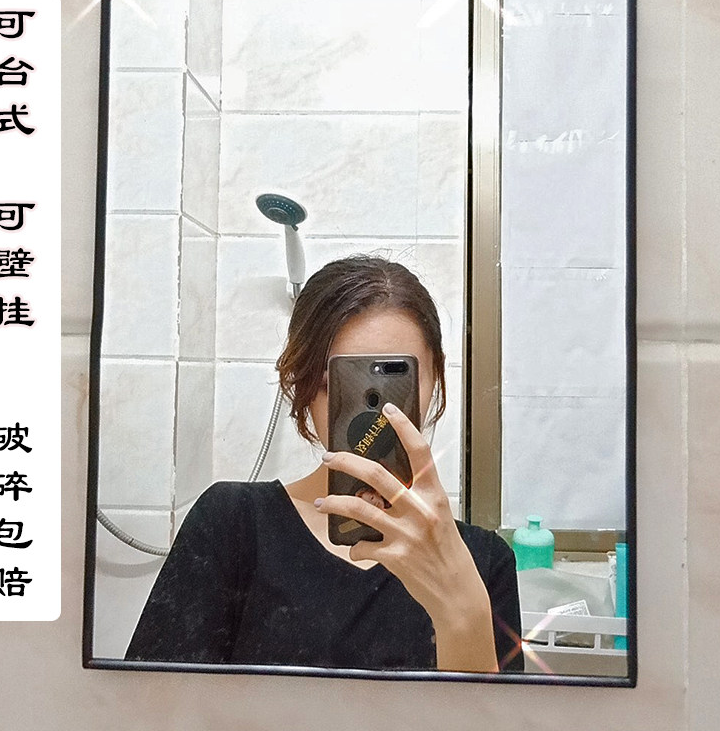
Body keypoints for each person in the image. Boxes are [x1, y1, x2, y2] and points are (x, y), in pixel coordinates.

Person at [125, 256, 523, 672]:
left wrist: (461, 610)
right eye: (338, 385)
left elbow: (491, 709)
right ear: (303, 386)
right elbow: (148, 700)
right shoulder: (232, 523)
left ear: (435, 379)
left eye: (396, 380)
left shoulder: (484, 561)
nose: (373, 414)